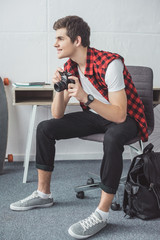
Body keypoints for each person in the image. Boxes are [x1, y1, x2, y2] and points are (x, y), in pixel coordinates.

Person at [10, 16, 148, 239]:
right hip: (96, 115)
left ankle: (101, 214)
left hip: (128, 118)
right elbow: (57, 114)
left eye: (60, 38)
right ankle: (43, 194)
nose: (55, 43)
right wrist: (58, 88)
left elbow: (120, 115)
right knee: (46, 127)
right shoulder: (70, 66)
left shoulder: (111, 64)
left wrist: (86, 97)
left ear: (77, 40)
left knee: (113, 137)